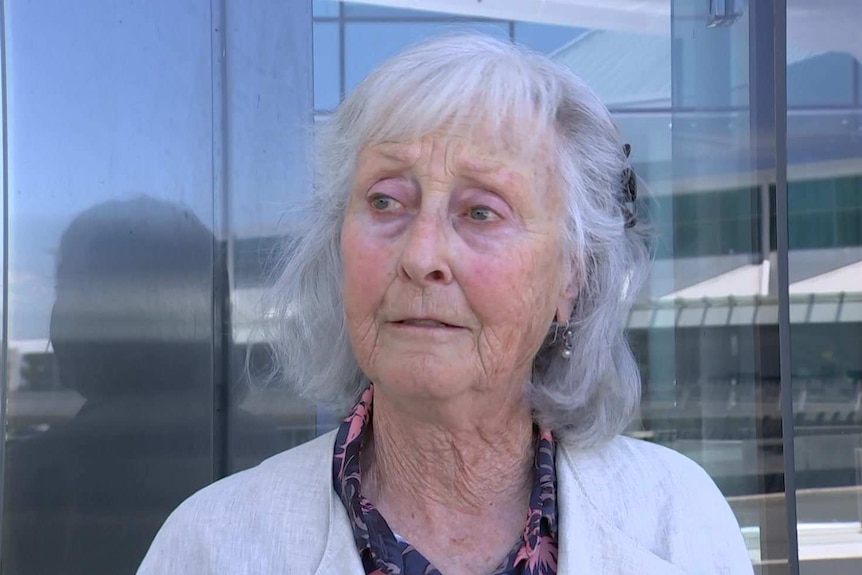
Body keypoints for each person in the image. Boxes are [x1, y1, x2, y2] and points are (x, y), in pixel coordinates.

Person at [138, 34, 753, 574]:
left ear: (571, 275)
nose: (421, 253)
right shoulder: (213, 545)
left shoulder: (677, 521)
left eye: (481, 211)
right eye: (385, 202)